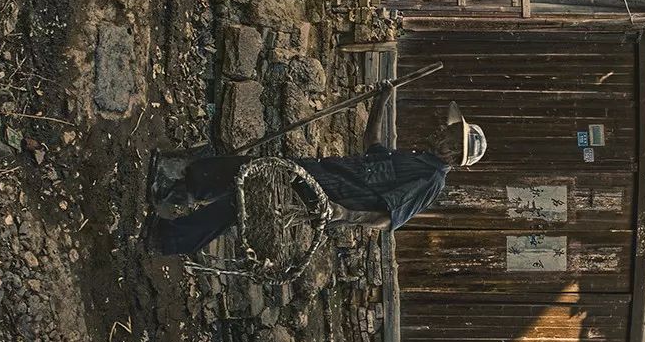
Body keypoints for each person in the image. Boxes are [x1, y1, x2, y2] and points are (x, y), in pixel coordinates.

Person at [147, 89, 487, 257]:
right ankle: (177, 189)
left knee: (245, 201)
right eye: (448, 129)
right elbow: (372, 145)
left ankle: (168, 239)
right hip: (317, 174)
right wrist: (381, 101)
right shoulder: (417, 159)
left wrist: (343, 214)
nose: (441, 130)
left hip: (322, 197)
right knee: (247, 170)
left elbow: (389, 218)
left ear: (454, 153)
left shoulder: (431, 181)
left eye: (449, 134)